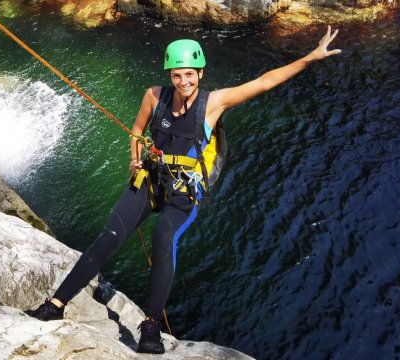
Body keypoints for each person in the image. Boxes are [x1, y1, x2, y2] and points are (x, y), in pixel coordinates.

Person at [25, 26, 341, 354]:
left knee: (164, 236)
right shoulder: (154, 95)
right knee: (109, 238)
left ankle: (150, 326)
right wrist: (134, 159)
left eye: (190, 74)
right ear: (170, 75)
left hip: (184, 191)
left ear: (200, 73)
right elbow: (136, 131)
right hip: (150, 179)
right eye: (177, 75)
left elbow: (264, 82)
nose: (184, 82)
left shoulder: (214, 103)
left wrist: (310, 58)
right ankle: (56, 305)